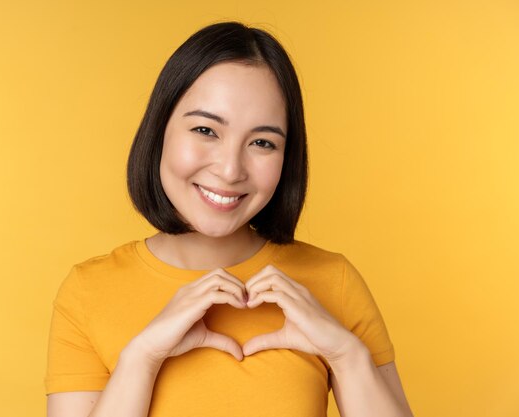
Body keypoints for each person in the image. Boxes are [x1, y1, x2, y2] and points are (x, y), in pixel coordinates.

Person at [45, 21, 413, 417]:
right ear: (160, 130)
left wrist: (347, 356)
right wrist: (142, 356)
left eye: (262, 142)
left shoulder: (333, 283)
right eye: (206, 129)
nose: (230, 169)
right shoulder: (88, 291)